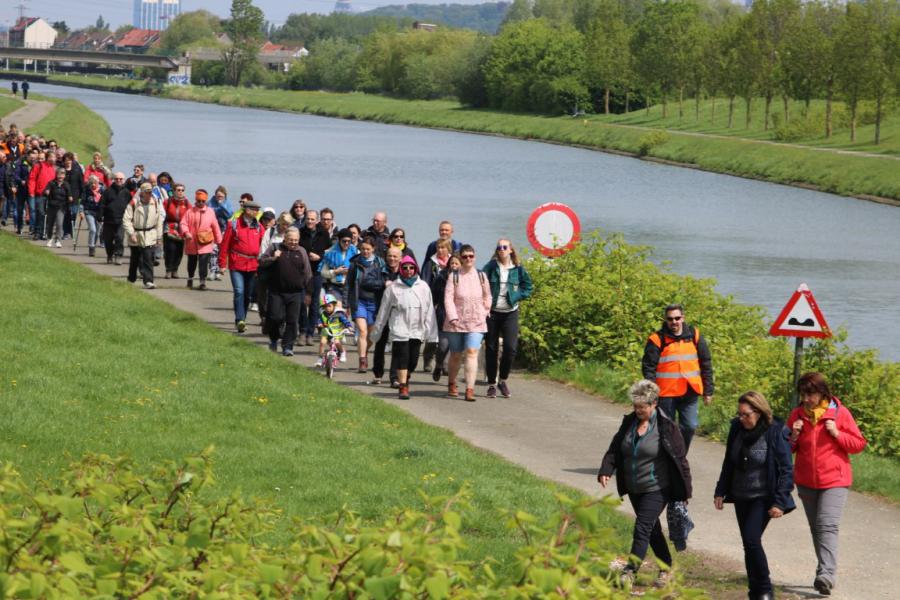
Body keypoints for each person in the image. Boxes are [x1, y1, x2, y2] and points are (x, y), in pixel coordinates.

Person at [598, 380, 692, 589]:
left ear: (654, 404)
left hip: (657, 487)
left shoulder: (667, 427)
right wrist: (606, 469)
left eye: (643, 406)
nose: (638, 410)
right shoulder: (629, 422)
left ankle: (630, 571)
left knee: (642, 527)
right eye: (636, 406)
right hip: (634, 487)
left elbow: (680, 460)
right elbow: (615, 447)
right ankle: (666, 567)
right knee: (651, 529)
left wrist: (686, 490)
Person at [641, 303, 714, 550]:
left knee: (690, 426)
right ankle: (668, 458)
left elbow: (706, 361)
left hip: (691, 390)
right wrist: (652, 394)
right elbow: (648, 368)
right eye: (670, 319)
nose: (674, 322)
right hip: (667, 394)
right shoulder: (656, 339)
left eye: (678, 318)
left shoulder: (694, 335)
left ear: (684, 317)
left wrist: (709, 390)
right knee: (665, 430)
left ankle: (677, 455)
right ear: (665, 320)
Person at [787, 372, 867, 597]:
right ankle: (824, 571)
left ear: (822, 392)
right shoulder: (797, 415)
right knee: (817, 528)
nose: (806, 399)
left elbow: (858, 444)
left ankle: (826, 574)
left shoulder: (840, 414)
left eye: (810, 394)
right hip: (806, 481)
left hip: (835, 480)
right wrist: (793, 436)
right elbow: (785, 450)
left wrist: (837, 433)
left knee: (827, 525)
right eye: (803, 394)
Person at [714, 391, 795, 600]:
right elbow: (728, 462)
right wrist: (720, 490)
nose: (741, 419)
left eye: (746, 414)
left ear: (758, 412)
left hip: (763, 496)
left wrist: (780, 501)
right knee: (749, 543)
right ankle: (754, 591)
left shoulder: (775, 431)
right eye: (739, 414)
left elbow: (786, 470)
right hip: (741, 495)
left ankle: (766, 589)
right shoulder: (736, 428)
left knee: (751, 540)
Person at [370, 256, 438, 400]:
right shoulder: (393, 287)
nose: (408, 271)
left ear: (416, 269)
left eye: (411, 268)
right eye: (405, 268)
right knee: (402, 356)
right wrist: (377, 331)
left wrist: (431, 332)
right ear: (401, 269)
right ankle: (403, 386)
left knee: (413, 360)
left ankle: (406, 377)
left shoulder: (423, 287)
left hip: (417, 329)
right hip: (399, 327)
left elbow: (429, 310)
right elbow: (383, 311)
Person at [483, 239, 533, 399]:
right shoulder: (491, 267)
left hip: (510, 312)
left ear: (511, 250)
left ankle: (502, 380)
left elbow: (528, 286)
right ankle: (491, 384)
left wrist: (517, 296)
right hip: (492, 313)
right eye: (499, 247)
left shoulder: (517, 269)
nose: (502, 249)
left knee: (511, 348)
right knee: (491, 348)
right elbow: (480, 283)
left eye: (505, 247)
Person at [443, 245, 491, 402]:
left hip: (477, 322)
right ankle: (452, 382)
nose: (468, 259)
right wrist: (452, 317)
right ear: (461, 258)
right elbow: (448, 298)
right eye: (465, 257)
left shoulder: (482, 276)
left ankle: (469, 389)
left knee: (471, 352)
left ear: (475, 257)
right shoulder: (454, 276)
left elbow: (488, 296)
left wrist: (484, 311)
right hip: (456, 322)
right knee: (456, 354)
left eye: (471, 256)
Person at [258, 228, 312, 356]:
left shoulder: (301, 251)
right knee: (275, 317)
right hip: (276, 291)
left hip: (296, 293)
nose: (293, 243)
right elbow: (261, 262)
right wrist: (273, 258)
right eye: (291, 240)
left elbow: (308, 274)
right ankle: (274, 339)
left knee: (292, 321)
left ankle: (288, 346)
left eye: (296, 240)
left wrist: (309, 293)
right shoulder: (275, 247)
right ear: (285, 239)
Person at [218, 200, 264, 332]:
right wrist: (222, 264)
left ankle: (242, 318)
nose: (257, 212)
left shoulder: (259, 227)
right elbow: (224, 245)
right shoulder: (233, 225)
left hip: (253, 265)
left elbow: (264, 246)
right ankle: (239, 319)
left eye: (257, 210)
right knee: (239, 291)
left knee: (248, 295)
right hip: (236, 264)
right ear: (246, 210)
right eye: (254, 209)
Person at [343, 238, 388, 373]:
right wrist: (346, 305)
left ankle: (364, 351)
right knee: (362, 331)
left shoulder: (380, 263)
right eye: (363, 249)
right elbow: (348, 285)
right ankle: (362, 360)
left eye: (368, 249)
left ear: (373, 249)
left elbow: (385, 281)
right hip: (359, 301)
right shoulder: (355, 264)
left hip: (374, 302)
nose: (365, 251)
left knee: (372, 335)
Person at [370, 246, 402, 386]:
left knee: (397, 345)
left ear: (400, 258)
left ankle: (394, 377)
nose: (392, 259)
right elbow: (367, 282)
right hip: (382, 312)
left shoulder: (406, 272)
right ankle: (378, 374)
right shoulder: (379, 271)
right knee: (380, 344)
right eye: (390, 256)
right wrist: (383, 284)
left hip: (399, 314)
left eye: (395, 256)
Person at [299, 209, 332, 344]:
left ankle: (310, 333)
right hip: (302, 272)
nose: (310, 221)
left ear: (317, 220)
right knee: (301, 302)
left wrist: (319, 256)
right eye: (308, 219)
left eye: (312, 219)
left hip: (317, 272)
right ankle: (302, 330)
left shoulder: (323, 234)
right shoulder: (300, 232)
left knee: (314, 304)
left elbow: (329, 253)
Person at [122, 182, 164, 289]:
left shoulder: (155, 202)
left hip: (150, 234)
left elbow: (159, 221)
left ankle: (148, 281)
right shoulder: (133, 203)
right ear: (142, 193)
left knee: (148, 258)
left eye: (151, 192)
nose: (150, 194)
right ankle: (131, 278)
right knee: (135, 259)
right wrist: (131, 233)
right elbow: (126, 220)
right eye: (147, 192)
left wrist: (159, 237)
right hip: (136, 233)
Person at [420, 238, 453, 373]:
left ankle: (444, 364)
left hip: (449, 307)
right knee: (433, 334)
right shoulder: (430, 264)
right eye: (438, 248)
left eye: (443, 248)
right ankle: (428, 358)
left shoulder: (454, 263)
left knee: (449, 337)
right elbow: (425, 282)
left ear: (448, 250)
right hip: (434, 302)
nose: (440, 250)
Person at [179, 189, 222, 291]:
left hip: (205, 242)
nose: (201, 203)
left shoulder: (210, 212)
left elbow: (215, 226)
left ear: (206, 201)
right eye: (199, 201)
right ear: (196, 200)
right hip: (192, 241)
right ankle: (190, 279)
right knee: (191, 263)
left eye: (203, 201)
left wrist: (219, 240)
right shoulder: (190, 211)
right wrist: (186, 232)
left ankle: (202, 282)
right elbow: (183, 223)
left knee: (203, 263)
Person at [428, 251, 460, 382]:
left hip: (459, 316)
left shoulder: (466, 278)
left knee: (455, 348)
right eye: (452, 263)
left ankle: (451, 378)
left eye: (456, 263)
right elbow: (434, 296)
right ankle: (439, 364)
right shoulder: (441, 277)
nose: (454, 265)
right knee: (442, 345)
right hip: (443, 314)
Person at [100, 172, 131, 265]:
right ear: (114, 179)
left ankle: (118, 255)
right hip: (109, 219)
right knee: (108, 240)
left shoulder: (126, 192)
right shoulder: (108, 191)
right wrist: (99, 215)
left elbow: (130, 205)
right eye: (117, 179)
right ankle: (110, 255)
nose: (118, 181)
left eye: (120, 179)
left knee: (120, 238)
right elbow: (102, 204)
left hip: (121, 220)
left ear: (123, 180)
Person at [317, 293, 354, 366]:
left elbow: (345, 321)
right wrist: (319, 324)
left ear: (334, 305)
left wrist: (349, 327)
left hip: (337, 332)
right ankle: (320, 358)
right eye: (325, 307)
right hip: (326, 332)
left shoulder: (339, 314)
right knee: (322, 342)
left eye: (329, 306)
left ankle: (342, 352)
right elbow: (320, 320)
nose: (327, 308)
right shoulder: (323, 314)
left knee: (337, 342)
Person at [320, 228, 359, 297]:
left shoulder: (356, 252)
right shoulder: (330, 253)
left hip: (350, 288)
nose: (346, 243)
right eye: (344, 241)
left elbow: (360, 272)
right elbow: (323, 272)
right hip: (334, 287)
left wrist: (350, 271)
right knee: (337, 307)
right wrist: (336, 271)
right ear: (339, 240)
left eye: (349, 241)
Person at [162, 183, 190, 279]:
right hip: (169, 228)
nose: (180, 192)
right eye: (178, 190)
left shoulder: (186, 203)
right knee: (169, 250)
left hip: (181, 229)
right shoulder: (168, 202)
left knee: (179, 251)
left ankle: (175, 269)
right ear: (174, 191)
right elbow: (161, 214)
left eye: (182, 190)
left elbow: (190, 216)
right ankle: (168, 270)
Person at [27, 150, 56, 240]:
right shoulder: (38, 166)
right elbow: (32, 179)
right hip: (39, 194)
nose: (54, 159)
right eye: (52, 157)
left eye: (54, 157)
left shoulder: (53, 169)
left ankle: (44, 232)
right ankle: (37, 232)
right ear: (48, 157)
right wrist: (31, 191)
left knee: (47, 214)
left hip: (50, 195)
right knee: (40, 213)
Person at [42, 167, 72, 248]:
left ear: (64, 176)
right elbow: (45, 191)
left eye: (62, 174)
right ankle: (49, 238)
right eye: (59, 174)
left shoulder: (66, 185)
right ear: (56, 175)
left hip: (61, 207)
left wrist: (70, 198)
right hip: (52, 206)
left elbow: (69, 195)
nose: (60, 176)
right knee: (50, 223)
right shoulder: (51, 183)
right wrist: (46, 191)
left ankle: (58, 240)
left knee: (59, 224)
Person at [208, 185, 232, 281]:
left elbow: (229, 215)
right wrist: (218, 209)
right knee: (213, 250)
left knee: (221, 250)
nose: (219, 198)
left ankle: (218, 271)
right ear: (215, 195)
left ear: (225, 196)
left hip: (224, 229)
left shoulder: (228, 203)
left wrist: (221, 206)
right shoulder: (211, 202)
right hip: (213, 229)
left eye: (221, 197)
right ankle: (212, 270)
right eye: (218, 196)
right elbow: (210, 213)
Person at [81, 174, 105, 257]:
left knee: (98, 232)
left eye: (95, 183)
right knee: (93, 230)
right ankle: (91, 247)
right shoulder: (86, 190)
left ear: (98, 183)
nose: (93, 185)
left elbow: (105, 202)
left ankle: (93, 245)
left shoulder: (102, 190)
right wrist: (81, 212)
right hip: (89, 212)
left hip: (99, 213)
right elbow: (82, 202)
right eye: (91, 183)